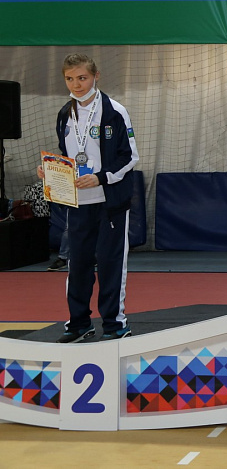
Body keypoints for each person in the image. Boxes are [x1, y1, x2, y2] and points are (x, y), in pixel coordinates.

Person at [36, 53, 139, 342]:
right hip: (78, 202)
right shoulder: (64, 115)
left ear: (96, 76)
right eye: (70, 78)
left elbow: (129, 157)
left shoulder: (114, 111)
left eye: (82, 77)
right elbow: (68, 155)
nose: (76, 84)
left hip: (110, 203)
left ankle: (115, 324)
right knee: (78, 265)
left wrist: (101, 177)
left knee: (109, 264)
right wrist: (51, 170)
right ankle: (79, 324)